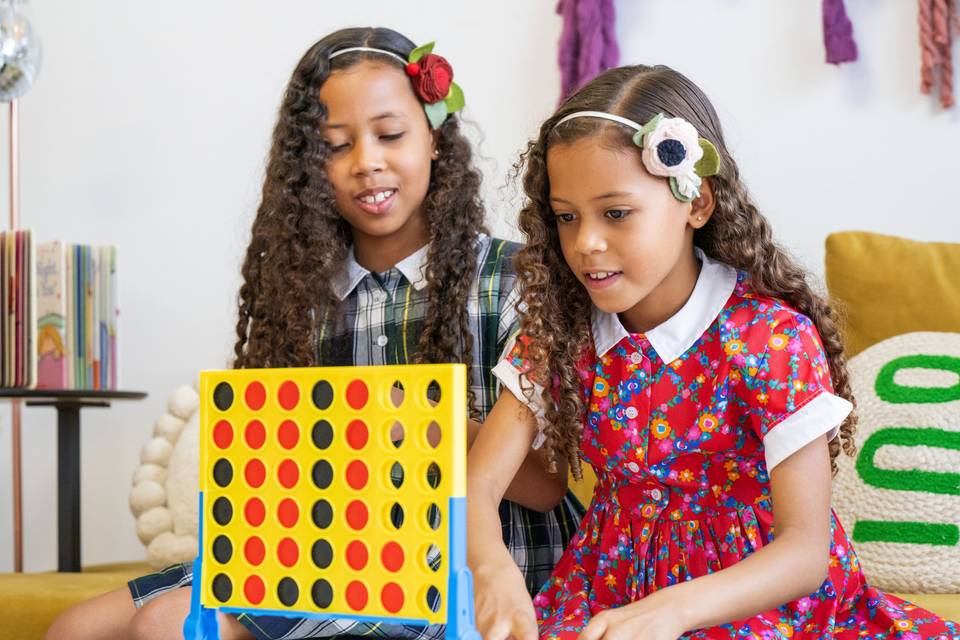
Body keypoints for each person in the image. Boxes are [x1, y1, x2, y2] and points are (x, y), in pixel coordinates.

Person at [45, 27, 582, 640]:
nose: (367, 162)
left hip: (457, 569)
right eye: (335, 145)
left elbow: (545, 488)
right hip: (323, 559)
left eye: (390, 134)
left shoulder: (509, 281)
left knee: (166, 626)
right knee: (77, 627)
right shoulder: (301, 297)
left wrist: (398, 420)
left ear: (435, 138)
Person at [466, 63, 959, 640]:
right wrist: (492, 570)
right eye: (566, 217)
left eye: (616, 213)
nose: (586, 243)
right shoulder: (558, 333)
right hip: (606, 593)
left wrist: (673, 611)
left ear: (695, 203)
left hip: (757, 602)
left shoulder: (770, 338)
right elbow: (480, 485)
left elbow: (804, 553)